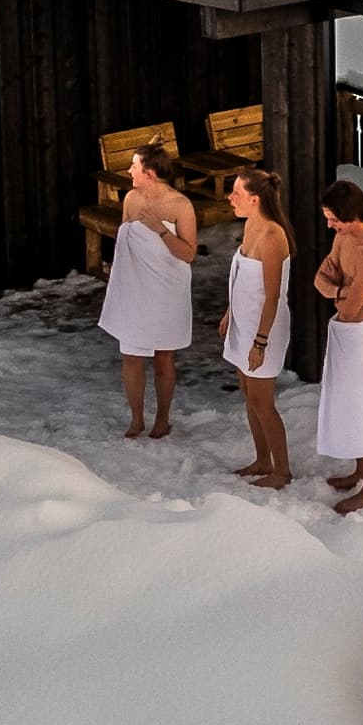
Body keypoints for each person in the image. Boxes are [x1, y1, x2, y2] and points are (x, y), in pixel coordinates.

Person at [97, 146, 197, 439]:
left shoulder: (180, 205)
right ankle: (137, 418)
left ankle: (162, 420)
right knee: (131, 354)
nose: (129, 171)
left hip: (166, 287)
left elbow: (189, 253)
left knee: (163, 355)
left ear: (150, 173)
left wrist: (160, 230)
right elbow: (126, 238)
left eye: (134, 167)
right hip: (136, 286)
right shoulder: (130, 198)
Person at [312, 177, 363, 514]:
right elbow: (321, 277)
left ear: (352, 216)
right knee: (348, 404)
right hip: (344, 333)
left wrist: (336, 292)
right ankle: (360, 470)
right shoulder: (343, 239)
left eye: (333, 218)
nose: (329, 225)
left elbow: (349, 307)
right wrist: (338, 290)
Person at [220, 167, 295, 489]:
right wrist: (229, 313)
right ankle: (262, 459)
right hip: (243, 322)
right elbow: (241, 277)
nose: (229, 197)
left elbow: (273, 296)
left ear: (254, 199)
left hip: (264, 328)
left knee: (263, 402)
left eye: (235, 193)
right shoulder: (251, 225)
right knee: (249, 396)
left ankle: (282, 470)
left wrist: (260, 342)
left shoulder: (272, 237)